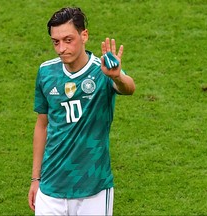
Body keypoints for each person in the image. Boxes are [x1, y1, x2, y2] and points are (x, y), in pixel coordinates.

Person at [28, 7, 135, 215]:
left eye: (68, 40)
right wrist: (35, 179)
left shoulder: (102, 70)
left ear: (84, 35)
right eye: (55, 42)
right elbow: (42, 125)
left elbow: (129, 88)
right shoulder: (46, 72)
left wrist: (116, 76)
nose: (61, 48)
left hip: (93, 189)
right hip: (51, 187)